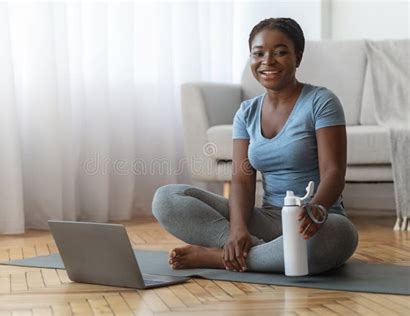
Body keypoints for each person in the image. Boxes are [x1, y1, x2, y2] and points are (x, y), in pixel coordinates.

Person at [152, 18, 359, 275]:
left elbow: (334, 172)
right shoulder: (246, 112)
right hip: (267, 219)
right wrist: (238, 230)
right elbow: (241, 179)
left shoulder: (321, 101)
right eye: (258, 53)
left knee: (341, 236)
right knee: (167, 199)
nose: (267, 61)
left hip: (315, 222)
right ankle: (250, 250)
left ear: (298, 57)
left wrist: (317, 207)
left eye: (280, 52)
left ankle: (219, 258)